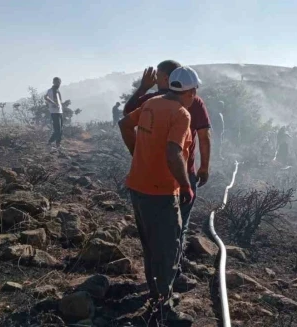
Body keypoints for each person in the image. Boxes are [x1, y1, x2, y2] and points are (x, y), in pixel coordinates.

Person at [118, 66, 202, 324]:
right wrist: (185, 184)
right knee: (167, 246)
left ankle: (156, 293)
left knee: (150, 244)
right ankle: (164, 306)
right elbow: (173, 152)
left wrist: (138, 156)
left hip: (138, 186)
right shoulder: (181, 114)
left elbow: (124, 124)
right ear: (190, 91)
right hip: (162, 192)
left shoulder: (153, 102)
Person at [123, 60, 211, 246]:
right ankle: (171, 268)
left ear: (165, 78)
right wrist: (203, 167)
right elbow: (203, 137)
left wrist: (142, 88)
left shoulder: (151, 100)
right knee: (180, 225)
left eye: (157, 77)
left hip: (150, 175)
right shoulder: (194, 102)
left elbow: (126, 118)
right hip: (184, 174)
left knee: (154, 229)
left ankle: (159, 266)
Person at [44, 77, 63, 148]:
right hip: (54, 112)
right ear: (53, 82)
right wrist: (53, 103)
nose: (58, 84)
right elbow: (46, 97)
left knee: (61, 130)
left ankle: (58, 145)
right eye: (56, 82)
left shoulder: (58, 91)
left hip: (60, 111)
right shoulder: (50, 90)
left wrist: (59, 103)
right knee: (57, 130)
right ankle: (49, 142)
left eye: (59, 82)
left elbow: (60, 100)